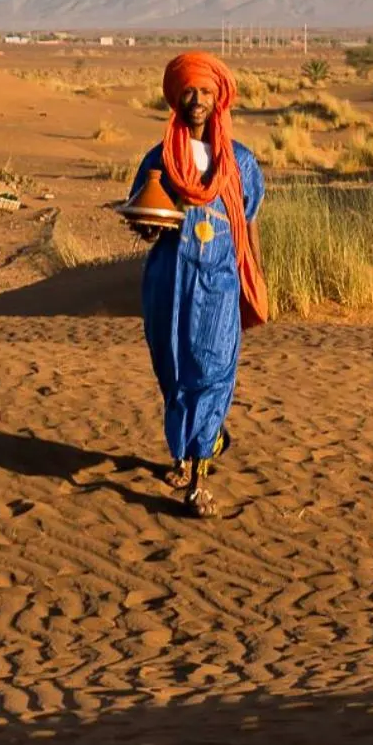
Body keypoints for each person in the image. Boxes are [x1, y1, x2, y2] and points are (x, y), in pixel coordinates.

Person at [126, 52, 268, 517]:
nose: (197, 101)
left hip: (220, 284)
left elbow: (247, 223)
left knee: (212, 372)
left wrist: (257, 278)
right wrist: (149, 227)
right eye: (189, 91)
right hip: (170, 281)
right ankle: (184, 451)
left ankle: (199, 475)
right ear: (176, 96)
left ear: (219, 97)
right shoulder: (160, 159)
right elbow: (143, 220)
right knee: (174, 373)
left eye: (206, 92)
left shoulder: (240, 162)